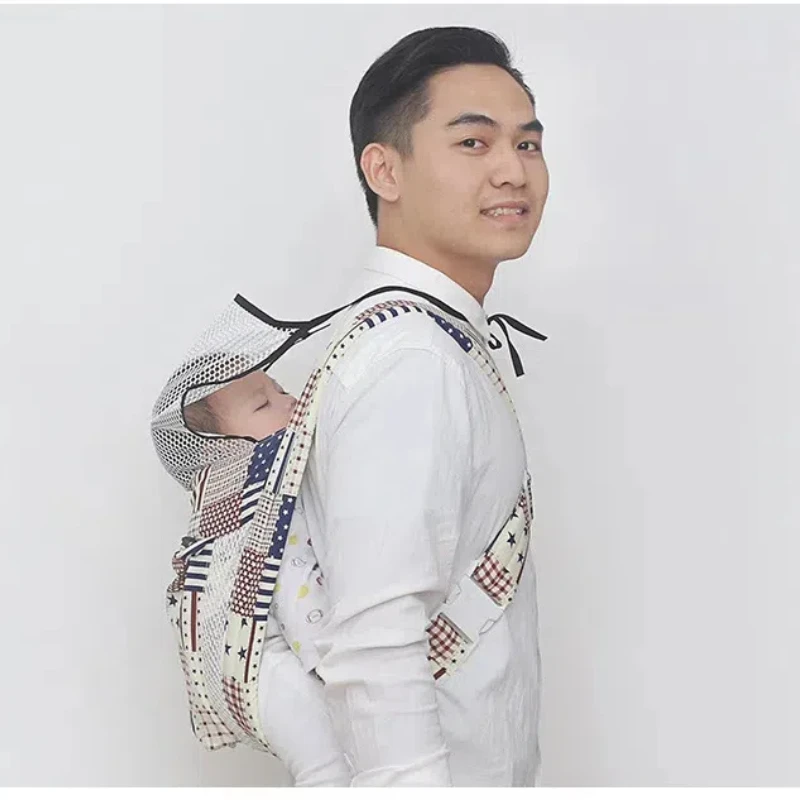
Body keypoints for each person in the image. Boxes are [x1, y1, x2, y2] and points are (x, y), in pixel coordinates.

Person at [297, 26, 550, 786]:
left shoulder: (420, 337)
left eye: (528, 144)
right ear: (385, 169)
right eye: (473, 143)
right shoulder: (414, 357)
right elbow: (376, 646)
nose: (512, 170)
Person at [182, 370, 351, 787]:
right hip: (262, 660)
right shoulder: (267, 494)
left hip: (241, 659)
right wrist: (334, 667)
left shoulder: (238, 492)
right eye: (263, 404)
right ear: (225, 447)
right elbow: (294, 587)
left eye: (281, 390)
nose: (290, 401)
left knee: (331, 764)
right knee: (328, 767)